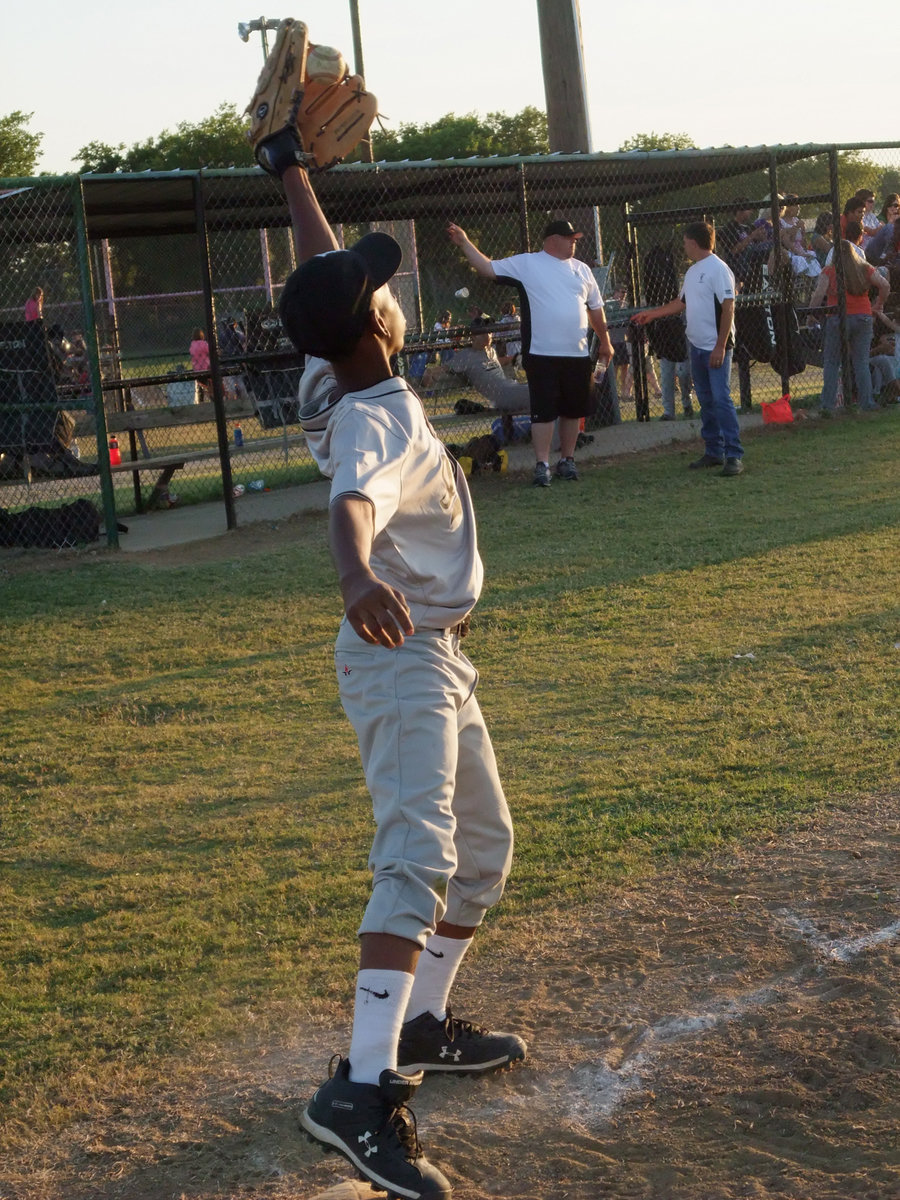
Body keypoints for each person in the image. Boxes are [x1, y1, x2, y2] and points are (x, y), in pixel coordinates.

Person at [252, 122, 524, 1199]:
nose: (388, 293)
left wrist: (291, 174)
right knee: (416, 858)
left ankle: (416, 1025)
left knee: (484, 851)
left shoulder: (333, 374)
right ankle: (358, 1094)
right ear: (378, 322)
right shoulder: (369, 420)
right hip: (397, 651)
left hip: (435, 660)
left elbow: (326, 275)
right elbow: (351, 506)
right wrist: (358, 577)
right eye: (380, 290)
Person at [447, 218, 614, 486]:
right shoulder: (528, 263)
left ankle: (567, 461)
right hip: (542, 353)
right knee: (544, 412)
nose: (574, 241)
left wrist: (605, 341)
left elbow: (595, 308)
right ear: (552, 240)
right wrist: (465, 242)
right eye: (568, 237)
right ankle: (542, 464)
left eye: (575, 238)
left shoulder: (582, 269)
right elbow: (488, 268)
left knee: (572, 410)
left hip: (577, 354)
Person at [633, 221, 744, 476]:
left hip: (716, 347)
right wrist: (652, 314)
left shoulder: (718, 269)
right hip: (696, 346)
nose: (683, 246)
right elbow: (680, 303)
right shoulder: (693, 272)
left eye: (685, 242)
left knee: (721, 398)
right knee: (706, 399)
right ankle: (714, 451)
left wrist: (720, 345)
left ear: (693, 242)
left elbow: (728, 308)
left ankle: (734, 454)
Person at [807, 219, 889, 415]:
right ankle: (866, 402)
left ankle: (827, 406)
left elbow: (818, 294)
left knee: (832, 362)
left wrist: (811, 314)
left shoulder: (829, 270)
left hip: (837, 317)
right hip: (863, 316)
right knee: (860, 361)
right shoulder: (864, 268)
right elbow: (884, 285)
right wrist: (878, 304)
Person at [443, 315, 530, 412]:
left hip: (513, 389)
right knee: (538, 392)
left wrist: (514, 358)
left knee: (539, 389)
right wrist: (429, 373)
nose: (488, 335)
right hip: (503, 397)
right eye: (484, 333)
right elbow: (444, 368)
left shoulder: (491, 351)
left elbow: (499, 361)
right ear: (473, 336)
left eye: (489, 332)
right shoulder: (466, 355)